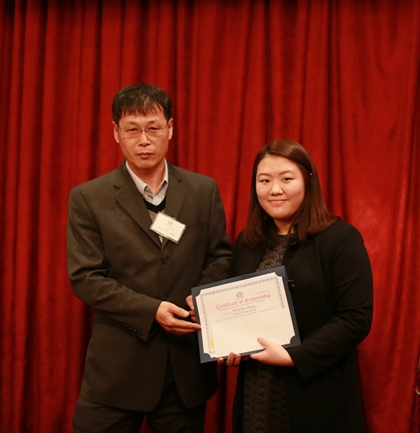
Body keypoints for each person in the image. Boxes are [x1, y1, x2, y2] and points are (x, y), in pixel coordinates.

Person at [67, 83, 231, 433]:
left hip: (185, 369)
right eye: (133, 130)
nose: (144, 140)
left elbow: (220, 257)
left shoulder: (203, 191)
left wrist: (202, 297)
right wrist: (151, 310)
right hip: (117, 369)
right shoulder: (89, 198)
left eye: (153, 128)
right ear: (116, 133)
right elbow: (85, 278)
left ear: (170, 128)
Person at [221, 139, 373, 433]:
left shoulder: (340, 239)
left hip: (316, 393)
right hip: (256, 391)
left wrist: (293, 355)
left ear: (308, 181)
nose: (274, 189)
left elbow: (355, 319)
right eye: (264, 180)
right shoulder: (247, 242)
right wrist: (229, 342)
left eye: (286, 179)